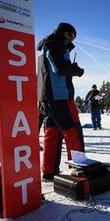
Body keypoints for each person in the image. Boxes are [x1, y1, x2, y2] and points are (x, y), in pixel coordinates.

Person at [37, 22, 85, 181]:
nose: (72, 39)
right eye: (71, 35)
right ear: (63, 33)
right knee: (73, 132)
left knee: (52, 134)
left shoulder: (45, 46)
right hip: (60, 97)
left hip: (48, 98)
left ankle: (49, 172)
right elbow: (60, 68)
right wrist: (75, 70)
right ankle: (79, 170)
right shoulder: (55, 44)